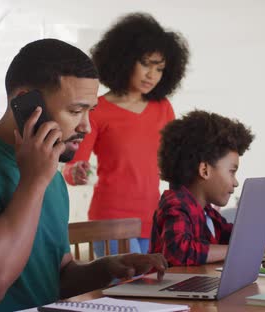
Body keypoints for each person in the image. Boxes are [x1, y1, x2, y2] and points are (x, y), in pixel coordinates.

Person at [0, 38, 167, 311]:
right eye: (75, 110)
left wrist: (107, 268)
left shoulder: (50, 174)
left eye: (90, 111)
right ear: (25, 102)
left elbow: (54, 278)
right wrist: (34, 181)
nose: (86, 127)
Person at [62, 12, 189, 256]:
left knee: (150, 293)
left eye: (160, 68)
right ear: (123, 59)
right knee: (122, 292)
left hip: (155, 221)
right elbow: (73, 164)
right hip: (110, 223)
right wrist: (74, 172)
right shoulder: (97, 109)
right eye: (145, 64)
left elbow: (178, 165)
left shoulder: (163, 108)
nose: (152, 75)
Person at [150, 110, 265, 266]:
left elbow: (236, 240)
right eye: (232, 172)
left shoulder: (208, 213)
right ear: (205, 170)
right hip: (169, 290)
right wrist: (244, 249)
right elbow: (179, 252)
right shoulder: (175, 204)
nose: (235, 182)